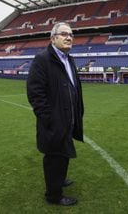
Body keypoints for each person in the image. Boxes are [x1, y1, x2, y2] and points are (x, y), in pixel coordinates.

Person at [26, 22, 84, 206]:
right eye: (64, 34)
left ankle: (60, 179)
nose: (69, 37)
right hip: (54, 120)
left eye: (71, 35)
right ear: (53, 38)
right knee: (54, 156)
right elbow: (35, 93)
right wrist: (49, 119)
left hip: (69, 118)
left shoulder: (70, 59)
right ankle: (54, 195)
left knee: (64, 152)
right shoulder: (42, 59)